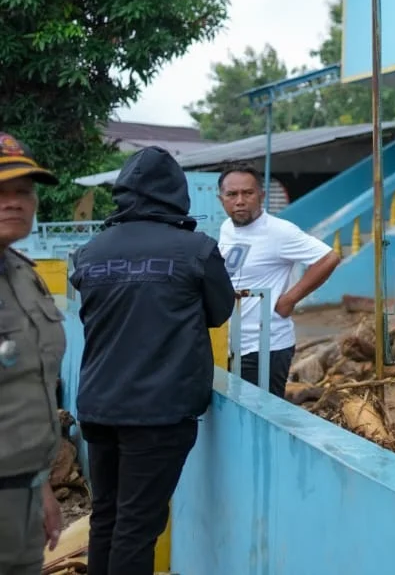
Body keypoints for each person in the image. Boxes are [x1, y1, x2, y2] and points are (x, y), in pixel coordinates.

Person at [69, 147, 235, 575]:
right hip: (159, 413)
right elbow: (219, 312)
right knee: (137, 527)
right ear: (177, 193)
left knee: (106, 517)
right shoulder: (196, 250)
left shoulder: (90, 252)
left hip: (98, 407)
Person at [216, 164, 340, 397]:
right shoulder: (227, 228)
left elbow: (328, 258)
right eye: (232, 194)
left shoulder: (280, 231)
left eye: (248, 193)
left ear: (261, 196)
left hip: (266, 347)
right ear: (221, 199)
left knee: (259, 413)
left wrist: (290, 299)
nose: (240, 201)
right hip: (232, 344)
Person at [0, 134, 65, 575]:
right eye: (0, 192)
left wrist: (41, 488)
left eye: (23, 191)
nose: (13, 202)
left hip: (22, 495)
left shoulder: (23, 275)